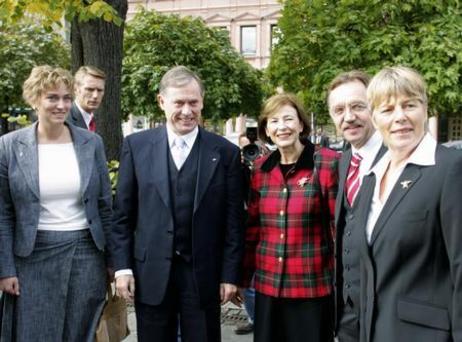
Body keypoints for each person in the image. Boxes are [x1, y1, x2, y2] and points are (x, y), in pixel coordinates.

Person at [110, 65, 244, 342]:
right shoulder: (135, 146)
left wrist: (230, 275)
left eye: (193, 102)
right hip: (151, 274)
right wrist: (122, 268)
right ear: (161, 102)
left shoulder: (226, 153)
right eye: (179, 103)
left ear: (202, 101)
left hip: (203, 275)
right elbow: (123, 215)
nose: (187, 111)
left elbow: (233, 221)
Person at [0, 65, 112, 341]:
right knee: (35, 332)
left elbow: (104, 207)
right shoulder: (10, 146)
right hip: (33, 256)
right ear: (35, 99)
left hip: (86, 253)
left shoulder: (91, 142)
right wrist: (6, 270)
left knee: (81, 332)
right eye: (52, 98)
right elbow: (3, 214)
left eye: (65, 97)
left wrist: (114, 262)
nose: (61, 105)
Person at [352, 66, 462, 341]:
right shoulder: (371, 177)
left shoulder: (450, 169)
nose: (400, 117)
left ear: (425, 109)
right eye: (387, 109)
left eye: (409, 105)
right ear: (375, 119)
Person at [242, 93, 338, 342]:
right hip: (268, 285)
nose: (282, 127)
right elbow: (253, 228)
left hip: (312, 287)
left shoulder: (327, 163)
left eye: (288, 119)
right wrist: (241, 277)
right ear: (266, 129)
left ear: (301, 124)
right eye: (273, 121)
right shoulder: (261, 169)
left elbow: (338, 229)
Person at [326, 70, 386, 341]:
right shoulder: (344, 160)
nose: (348, 117)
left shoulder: (398, 156)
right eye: (339, 110)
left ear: (374, 106)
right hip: (349, 315)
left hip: (388, 314)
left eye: (358, 106)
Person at [67, 65, 106, 131]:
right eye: (90, 89)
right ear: (75, 89)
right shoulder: (66, 120)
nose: (95, 96)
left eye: (100, 90)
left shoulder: (94, 121)